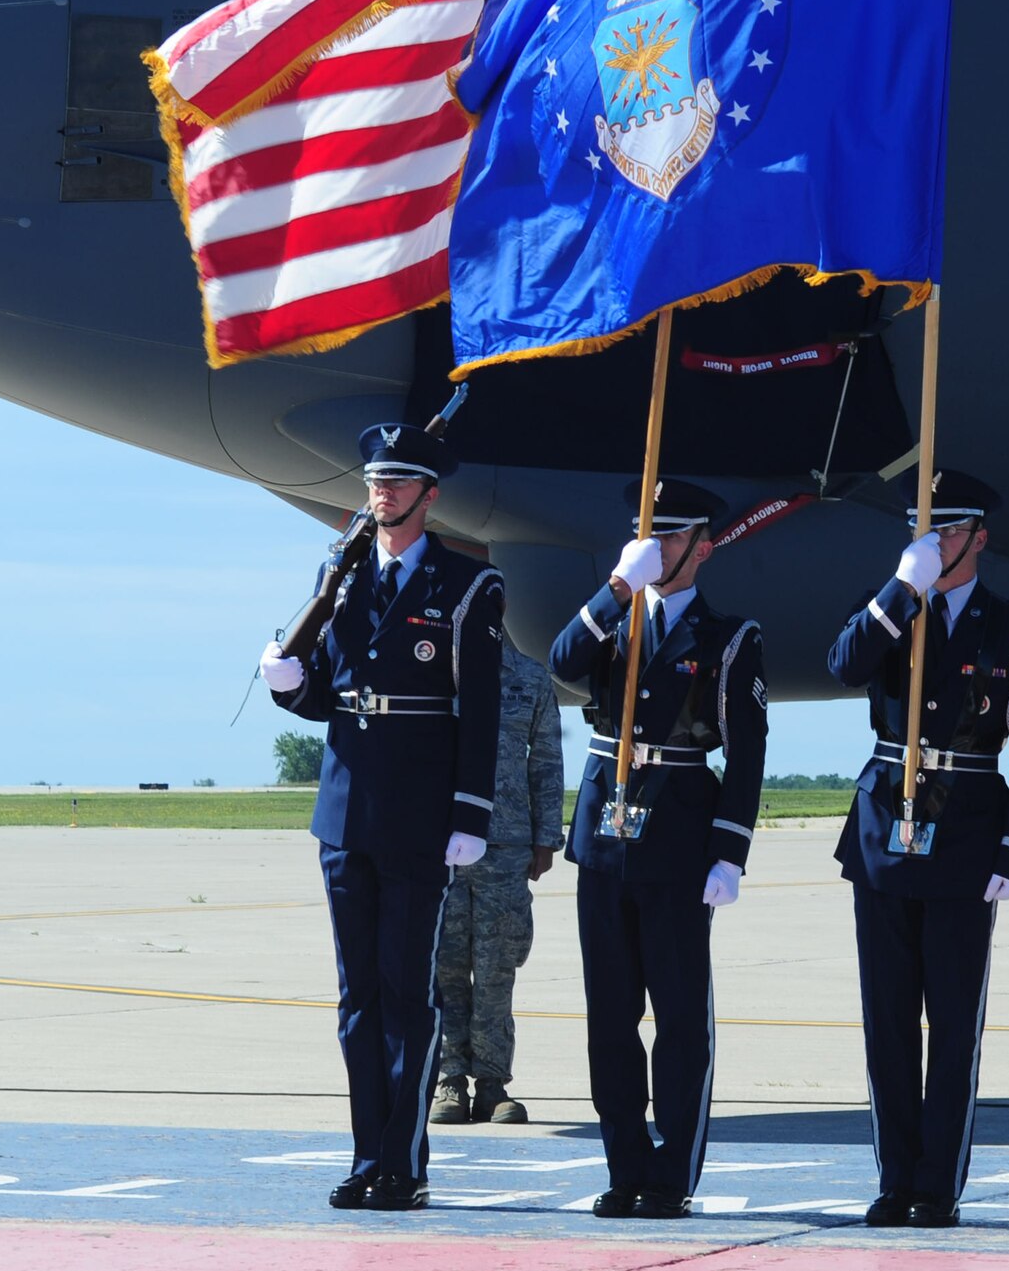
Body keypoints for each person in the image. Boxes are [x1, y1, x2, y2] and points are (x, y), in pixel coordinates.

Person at [260, 422, 503, 1212]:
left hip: (420, 814)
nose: (383, 493)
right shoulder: (342, 574)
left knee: (407, 995)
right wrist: (286, 682)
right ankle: (367, 1156)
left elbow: (483, 711)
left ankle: (403, 1162)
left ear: (429, 496)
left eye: (400, 483)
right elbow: (324, 691)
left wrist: (471, 811)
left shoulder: (468, 588)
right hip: (344, 809)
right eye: (375, 480)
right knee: (356, 998)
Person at [826, 469, 1009, 1230]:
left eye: (951, 530)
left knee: (952, 1023)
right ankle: (896, 1179)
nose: (937, 543)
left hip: (965, 836)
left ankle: (938, 1183)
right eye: (926, 530)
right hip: (883, 835)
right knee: (886, 1021)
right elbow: (844, 665)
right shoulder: (891, 607)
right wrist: (900, 591)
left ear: (980, 537)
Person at [549, 478, 766, 1219]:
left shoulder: (730, 638)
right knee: (610, 1016)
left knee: (677, 1017)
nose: (659, 548)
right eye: (651, 535)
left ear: (703, 547)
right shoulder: (615, 618)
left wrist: (729, 853)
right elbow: (563, 660)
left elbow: (747, 754)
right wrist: (616, 587)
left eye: (673, 537)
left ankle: (671, 1174)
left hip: (677, 837)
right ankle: (624, 1167)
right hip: (604, 836)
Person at [430, 639, 565, 1126]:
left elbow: (546, 756)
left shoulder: (529, 677)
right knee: (444, 964)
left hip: (506, 846)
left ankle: (491, 1082)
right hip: (439, 842)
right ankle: (448, 1079)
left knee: (497, 967)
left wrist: (547, 835)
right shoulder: (435, 667)